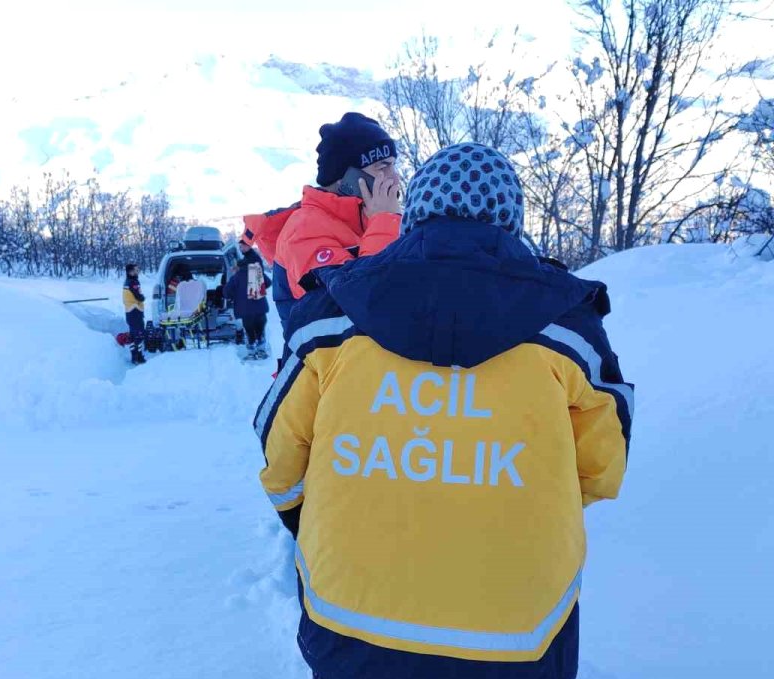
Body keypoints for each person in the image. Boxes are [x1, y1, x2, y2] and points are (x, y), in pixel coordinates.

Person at [254, 143, 633, 679]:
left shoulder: (333, 317)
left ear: (414, 213)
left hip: (349, 618)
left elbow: (279, 455)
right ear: (511, 219)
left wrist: (309, 519)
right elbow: (602, 466)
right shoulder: (567, 330)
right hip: (519, 632)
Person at [242, 112, 404, 344]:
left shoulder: (370, 219)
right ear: (345, 177)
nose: (394, 178)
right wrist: (385, 222)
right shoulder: (305, 231)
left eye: (393, 166)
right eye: (382, 167)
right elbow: (360, 307)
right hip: (329, 374)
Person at [224, 253, 271, 360]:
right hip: (260, 308)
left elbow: (226, 292)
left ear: (239, 266)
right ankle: (262, 351)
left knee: (249, 331)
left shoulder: (236, 276)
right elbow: (268, 283)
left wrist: (234, 295)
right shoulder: (256, 272)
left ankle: (251, 352)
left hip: (245, 310)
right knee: (260, 330)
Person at [122, 263, 146, 365]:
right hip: (135, 310)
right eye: (136, 270)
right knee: (139, 334)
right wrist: (143, 297)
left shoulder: (126, 282)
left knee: (132, 334)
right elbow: (139, 297)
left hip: (129, 311)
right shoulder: (133, 282)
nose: (138, 272)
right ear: (130, 271)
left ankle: (134, 356)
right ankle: (139, 357)